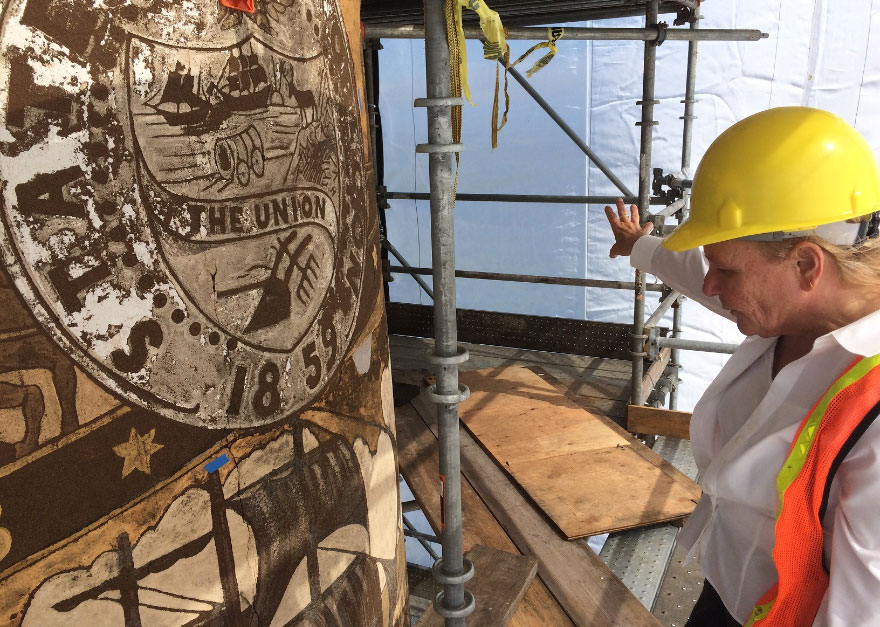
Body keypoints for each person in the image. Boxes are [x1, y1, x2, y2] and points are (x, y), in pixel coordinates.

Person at [605, 106, 880, 627]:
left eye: (726, 269)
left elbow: (860, 611)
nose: (711, 287)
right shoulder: (797, 306)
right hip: (730, 587)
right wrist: (637, 244)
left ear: (805, 264)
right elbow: (693, 271)